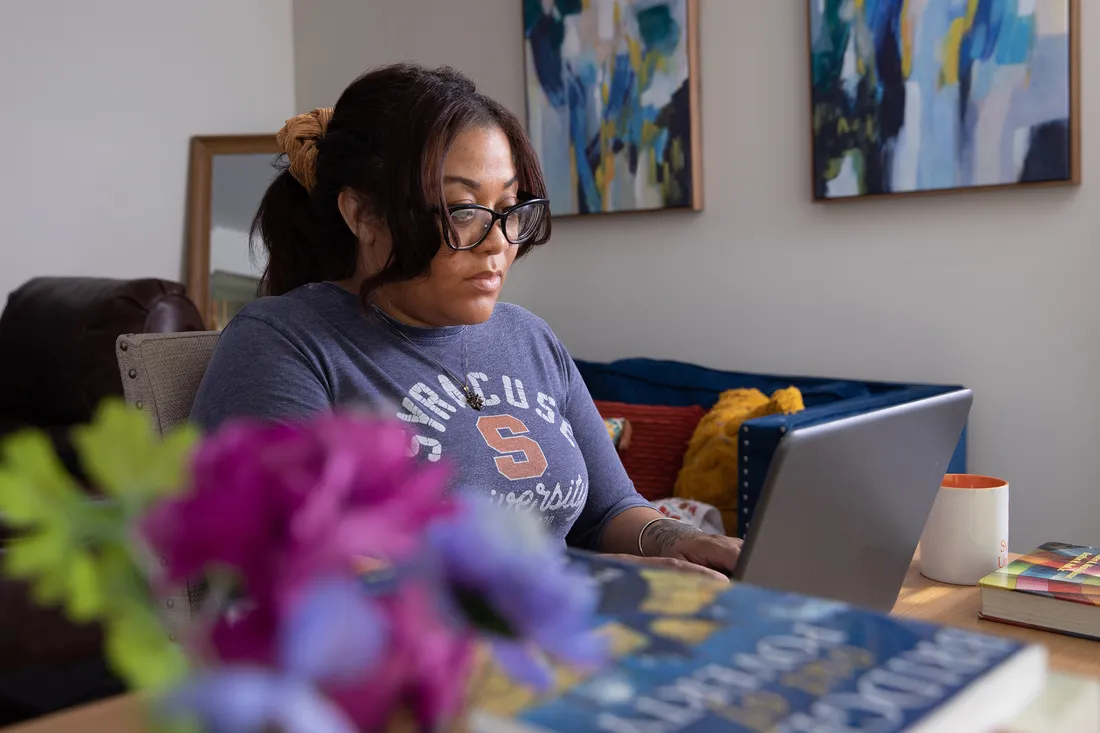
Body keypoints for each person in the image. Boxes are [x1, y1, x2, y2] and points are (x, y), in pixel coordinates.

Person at [190, 63, 742, 580]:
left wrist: (679, 542)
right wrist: (588, 589)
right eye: (463, 210)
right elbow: (304, 564)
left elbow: (609, 510)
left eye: (509, 207)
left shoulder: (529, 338)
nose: (499, 243)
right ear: (361, 214)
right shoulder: (284, 345)